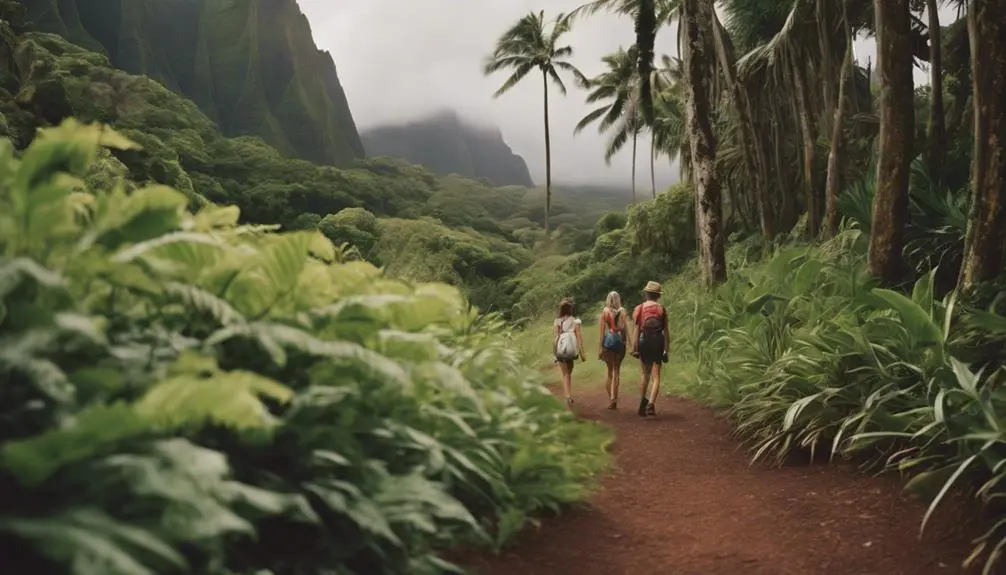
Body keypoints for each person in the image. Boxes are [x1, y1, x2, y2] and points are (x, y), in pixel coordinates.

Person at [630, 281, 669, 417]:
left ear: (646, 294)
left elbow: (636, 330)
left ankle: (642, 402)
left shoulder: (639, 309)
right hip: (657, 341)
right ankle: (651, 404)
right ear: (658, 296)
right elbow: (666, 332)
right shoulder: (661, 309)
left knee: (644, 374)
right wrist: (666, 349)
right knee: (656, 376)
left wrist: (634, 348)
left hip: (644, 341)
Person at [553, 298, 586, 409]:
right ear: (571, 309)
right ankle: (568, 395)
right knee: (569, 374)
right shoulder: (575, 321)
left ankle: (567, 396)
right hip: (571, 350)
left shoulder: (557, 321)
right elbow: (579, 337)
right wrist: (582, 353)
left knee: (565, 374)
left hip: (561, 350)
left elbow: (556, 338)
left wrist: (554, 353)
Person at [598, 291, 627, 410]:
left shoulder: (604, 312)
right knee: (617, 371)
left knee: (610, 372)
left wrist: (600, 348)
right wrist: (626, 344)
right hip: (619, 341)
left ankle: (612, 398)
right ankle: (615, 397)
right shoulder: (622, 311)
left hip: (609, 341)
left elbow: (601, 332)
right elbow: (623, 329)